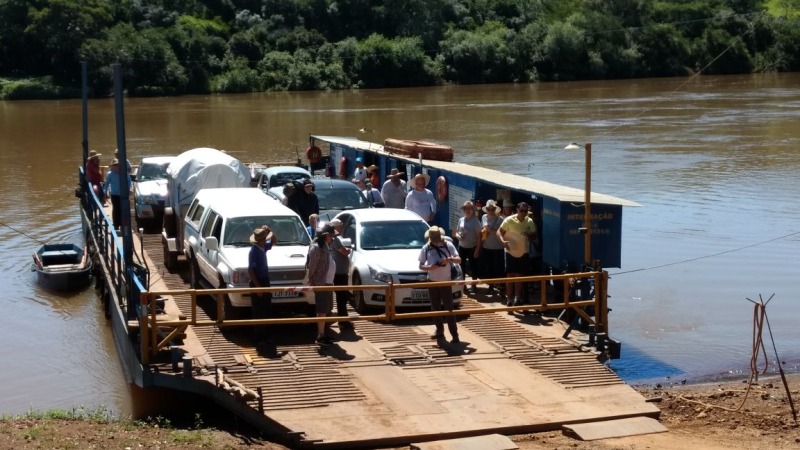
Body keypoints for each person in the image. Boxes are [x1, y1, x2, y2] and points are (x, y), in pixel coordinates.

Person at [419, 226, 461, 344]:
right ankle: (439, 330)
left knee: (449, 308)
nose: (435, 241)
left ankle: (454, 334)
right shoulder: (426, 248)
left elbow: (459, 259)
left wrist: (448, 260)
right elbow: (421, 265)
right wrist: (430, 267)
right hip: (432, 281)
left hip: (445, 282)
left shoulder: (448, 245)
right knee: (435, 307)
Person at [497, 202, 537, 312]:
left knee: (520, 275)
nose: (523, 213)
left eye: (525, 211)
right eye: (521, 211)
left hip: (523, 252)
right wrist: (503, 242)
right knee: (510, 275)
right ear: (517, 210)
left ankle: (517, 298)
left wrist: (529, 235)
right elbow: (499, 232)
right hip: (511, 251)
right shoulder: (509, 220)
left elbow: (534, 235)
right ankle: (509, 299)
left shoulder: (529, 221)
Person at [306, 224, 337, 346]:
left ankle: (323, 333)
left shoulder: (325, 246)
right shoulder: (316, 248)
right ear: (325, 236)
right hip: (321, 282)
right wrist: (311, 278)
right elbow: (312, 265)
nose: (332, 238)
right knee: (322, 309)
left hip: (327, 282)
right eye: (331, 236)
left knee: (326, 309)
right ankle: (320, 335)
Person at [248, 225, 276, 343]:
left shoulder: (262, 247)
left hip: (264, 281)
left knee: (266, 309)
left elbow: (274, 241)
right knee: (259, 311)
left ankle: (266, 336)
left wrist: (270, 231)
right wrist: (257, 286)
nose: (266, 241)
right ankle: (259, 337)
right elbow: (251, 270)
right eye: (264, 239)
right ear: (259, 241)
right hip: (258, 282)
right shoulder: (254, 251)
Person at [328, 218, 353, 330]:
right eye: (340, 225)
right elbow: (344, 251)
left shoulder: (336, 239)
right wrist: (349, 250)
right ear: (335, 227)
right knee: (341, 297)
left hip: (340, 271)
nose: (342, 227)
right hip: (339, 273)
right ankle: (343, 321)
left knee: (342, 296)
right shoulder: (335, 239)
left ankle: (343, 319)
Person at [453, 201, 482, 295]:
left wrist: (477, 249)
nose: (467, 210)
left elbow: (479, 237)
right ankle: (463, 285)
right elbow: (457, 232)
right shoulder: (461, 220)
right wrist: (458, 237)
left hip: (472, 247)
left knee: (473, 267)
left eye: (469, 209)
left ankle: (474, 285)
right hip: (462, 246)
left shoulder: (476, 222)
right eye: (466, 209)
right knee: (461, 266)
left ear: (472, 210)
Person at [480, 200, 505, 295]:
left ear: (495, 209)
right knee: (489, 268)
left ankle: (501, 287)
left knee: (499, 268)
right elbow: (482, 229)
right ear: (486, 209)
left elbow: (502, 233)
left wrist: (490, 230)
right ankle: (491, 286)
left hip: (498, 247)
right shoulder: (483, 217)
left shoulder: (500, 219)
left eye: (492, 209)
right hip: (487, 246)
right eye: (489, 209)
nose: (490, 211)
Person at [103, 159, 123, 230]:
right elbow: (106, 184)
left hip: (123, 194)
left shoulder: (123, 173)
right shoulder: (110, 174)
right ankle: (116, 225)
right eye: (115, 165)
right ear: (113, 166)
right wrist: (105, 193)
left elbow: (129, 181)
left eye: (117, 165)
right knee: (116, 209)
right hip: (114, 194)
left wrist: (130, 188)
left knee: (122, 209)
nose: (117, 166)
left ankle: (122, 224)